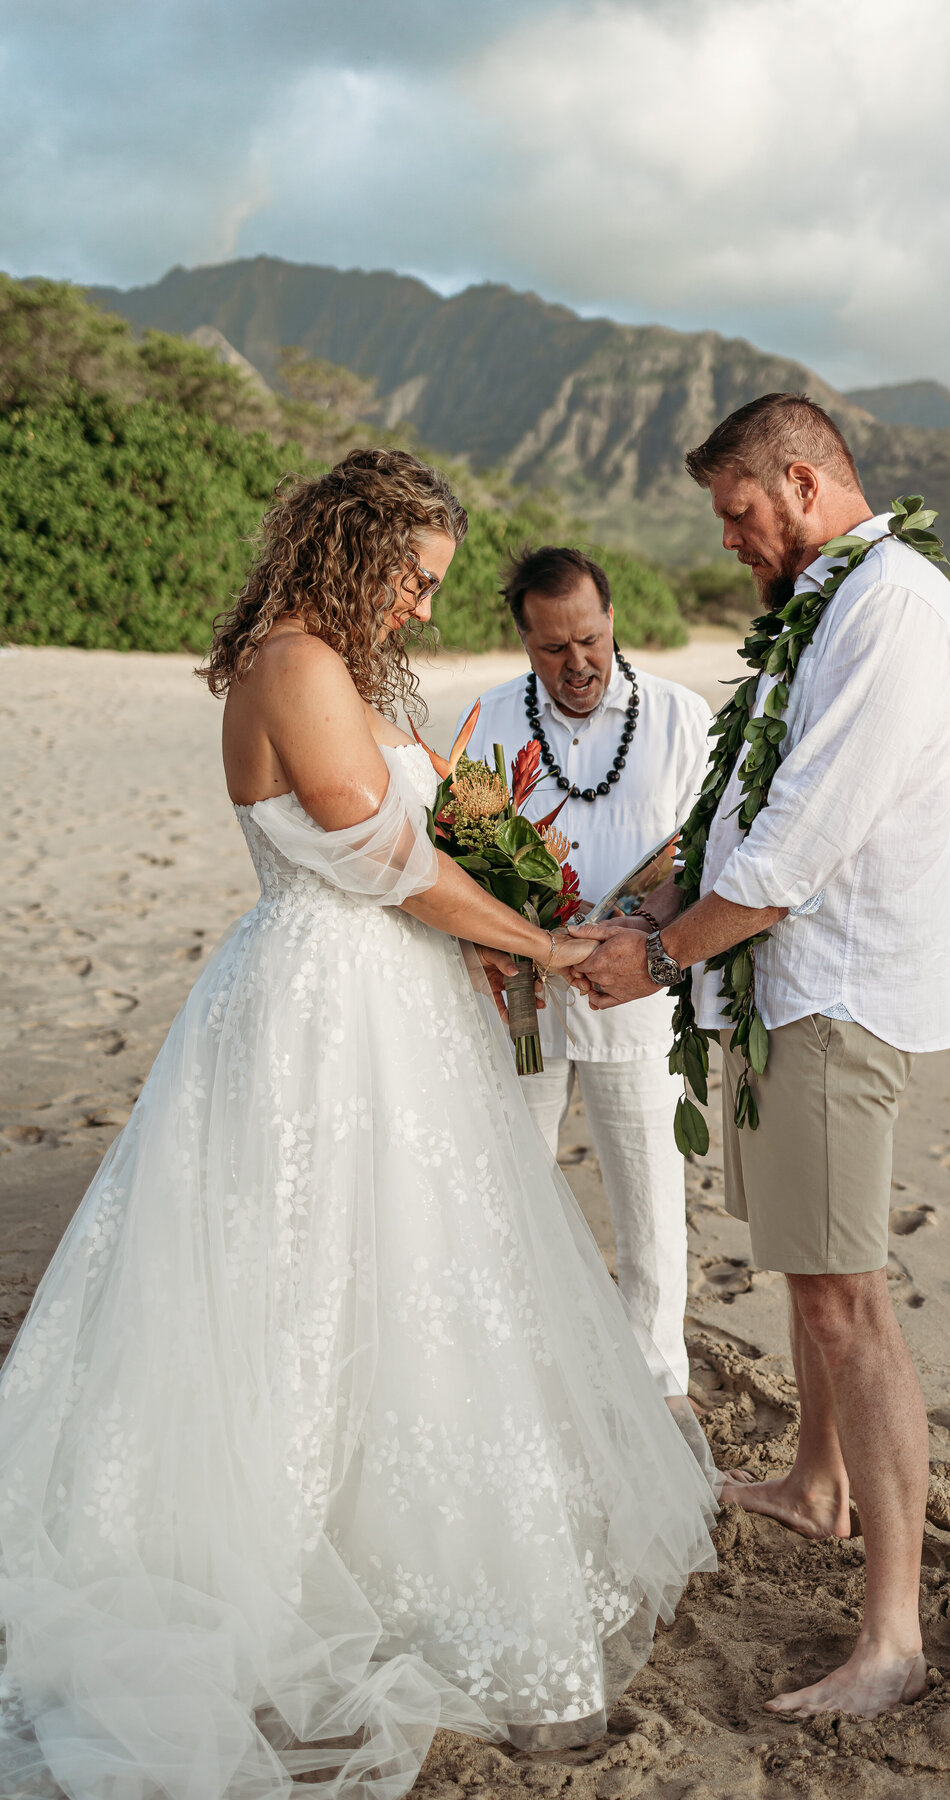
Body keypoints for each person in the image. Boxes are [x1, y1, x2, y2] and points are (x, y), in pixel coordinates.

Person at [0, 449, 720, 1800]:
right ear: (352, 547)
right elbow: (381, 858)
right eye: (414, 579)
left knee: (416, 1281)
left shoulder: (349, 671)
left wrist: (495, 917)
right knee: (305, 1280)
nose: (423, 609)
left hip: (392, 1008)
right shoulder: (289, 663)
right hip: (318, 1011)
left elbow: (429, 830)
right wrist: (536, 940)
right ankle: (271, 1575)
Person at [569, 394, 950, 1721]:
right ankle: (815, 1486)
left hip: (833, 997)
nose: (734, 542)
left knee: (846, 1297)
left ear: (801, 484)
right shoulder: (822, 608)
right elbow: (742, 797)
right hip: (778, 991)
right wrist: (640, 896)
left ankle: (895, 1635)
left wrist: (663, 955)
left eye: (741, 515)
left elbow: (800, 846)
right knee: (808, 1278)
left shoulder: (891, 606)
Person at [454, 546, 712, 1396]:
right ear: (524, 641)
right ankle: (510, 1378)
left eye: (591, 640)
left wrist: (652, 928)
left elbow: (715, 857)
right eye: (554, 649)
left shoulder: (680, 720)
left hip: (634, 1003)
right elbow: (452, 860)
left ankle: (658, 1382)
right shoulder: (486, 723)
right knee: (509, 1191)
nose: (578, 665)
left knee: (649, 1206)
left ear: (613, 621)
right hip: (521, 1003)